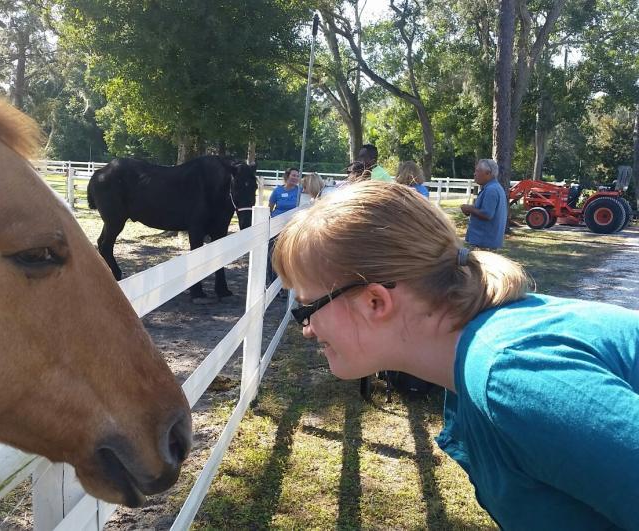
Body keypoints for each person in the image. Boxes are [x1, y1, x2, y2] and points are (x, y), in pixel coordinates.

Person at [271, 181, 638, 530]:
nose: (307, 329)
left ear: (374, 301)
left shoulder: (511, 378)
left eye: (307, 308)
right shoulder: (475, 363)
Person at [460, 159, 507, 249]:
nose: (475, 174)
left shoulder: (491, 190)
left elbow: (487, 214)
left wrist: (470, 209)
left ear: (488, 173)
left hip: (484, 243)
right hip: (487, 241)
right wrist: (471, 210)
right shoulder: (493, 188)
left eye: (478, 171)